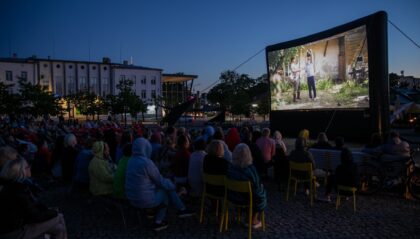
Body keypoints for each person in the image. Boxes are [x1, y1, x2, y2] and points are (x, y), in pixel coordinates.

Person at [125, 138, 195, 232]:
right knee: (165, 192)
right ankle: (159, 221)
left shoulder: (131, 161)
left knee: (165, 188)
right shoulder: (146, 163)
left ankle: (181, 209)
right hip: (143, 199)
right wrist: (173, 186)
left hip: (131, 198)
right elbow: (160, 181)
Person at [0, 158, 67, 239]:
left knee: (59, 228)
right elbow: (35, 216)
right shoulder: (18, 190)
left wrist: (47, 210)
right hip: (15, 232)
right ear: (21, 171)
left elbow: (31, 207)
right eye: (27, 167)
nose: (30, 168)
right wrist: (53, 212)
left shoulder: (11, 186)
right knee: (59, 216)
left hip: (13, 227)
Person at [227, 144, 267, 229]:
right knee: (260, 194)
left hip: (233, 197)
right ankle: (253, 219)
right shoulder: (251, 169)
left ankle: (245, 214)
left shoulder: (230, 168)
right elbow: (257, 186)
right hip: (247, 199)